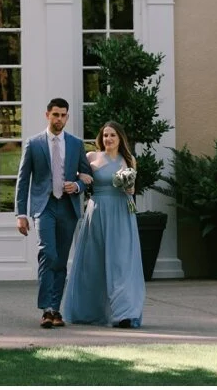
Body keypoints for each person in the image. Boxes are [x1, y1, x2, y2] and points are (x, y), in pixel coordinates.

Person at [16, 97, 91, 329]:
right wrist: (21, 214)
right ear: (47, 115)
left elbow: (87, 176)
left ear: (67, 117)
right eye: (55, 114)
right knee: (48, 253)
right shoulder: (34, 143)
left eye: (63, 115)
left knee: (60, 259)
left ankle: (55, 310)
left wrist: (76, 186)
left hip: (68, 207)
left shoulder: (76, 144)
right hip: (44, 206)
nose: (59, 119)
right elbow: (23, 180)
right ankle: (46, 308)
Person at [61, 121, 145, 328]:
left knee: (121, 262)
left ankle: (125, 314)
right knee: (94, 262)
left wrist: (130, 188)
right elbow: (74, 177)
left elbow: (132, 190)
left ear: (120, 138)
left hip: (122, 213)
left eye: (112, 135)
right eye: (105, 135)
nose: (108, 139)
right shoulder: (91, 157)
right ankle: (89, 311)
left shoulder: (129, 159)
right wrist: (81, 176)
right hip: (97, 212)